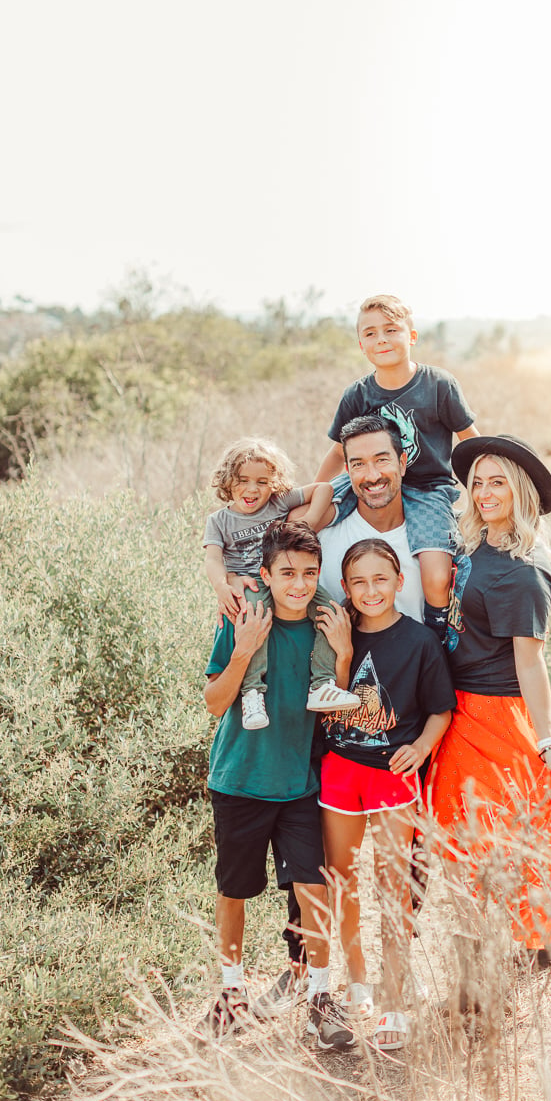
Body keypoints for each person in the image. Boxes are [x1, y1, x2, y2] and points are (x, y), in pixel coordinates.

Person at [252, 415, 429, 1018]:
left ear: (403, 460)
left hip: (413, 726)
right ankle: (313, 971)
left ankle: (398, 985)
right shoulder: (331, 541)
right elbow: (280, 575)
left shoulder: (434, 529)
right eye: (356, 463)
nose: (371, 474)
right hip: (339, 734)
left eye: (381, 460)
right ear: (344, 469)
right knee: (327, 868)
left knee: (403, 876)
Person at [425, 435, 551, 1005]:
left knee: (505, 831)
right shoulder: (475, 545)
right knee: (475, 829)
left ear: (520, 492)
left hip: (495, 713)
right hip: (461, 706)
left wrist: (547, 740)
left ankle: (537, 940)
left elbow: (531, 662)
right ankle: (510, 939)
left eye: (498, 483)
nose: (485, 493)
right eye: (479, 482)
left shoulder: (521, 571)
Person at [202, 520, 356, 1050]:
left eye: (310, 573)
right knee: (235, 891)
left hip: (300, 785)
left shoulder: (324, 623)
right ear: (264, 574)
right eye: (287, 573)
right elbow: (215, 703)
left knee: (314, 889)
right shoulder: (243, 618)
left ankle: (319, 998)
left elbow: (331, 708)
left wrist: (342, 654)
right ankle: (230, 994)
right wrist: (244, 649)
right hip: (240, 780)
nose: (299, 583)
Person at [317, 539, 456, 1050]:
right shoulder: (337, 633)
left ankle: (395, 998)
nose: (370, 590)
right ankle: (358, 988)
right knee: (343, 884)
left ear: (400, 582)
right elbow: (326, 704)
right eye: (358, 582)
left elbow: (441, 709)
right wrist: (344, 653)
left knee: (393, 888)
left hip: (392, 775)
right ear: (346, 588)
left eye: (381, 580)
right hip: (340, 771)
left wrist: (420, 747)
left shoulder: (420, 642)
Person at [315, 294, 479, 642]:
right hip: (368, 480)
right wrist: (316, 490)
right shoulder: (357, 395)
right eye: (371, 333)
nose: (382, 340)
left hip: (427, 488)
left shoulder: (438, 385)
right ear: (361, 344)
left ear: (412, 336)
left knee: (435, 575)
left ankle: (436, 639)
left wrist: (481, 492)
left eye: (391, 330)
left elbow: (470, 442)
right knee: (303, 517)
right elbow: (336, 454)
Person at [204, 436, 359, 730]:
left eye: (263, 481)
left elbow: (324, 488)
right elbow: (212, 560)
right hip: (251, 587)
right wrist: (222, 587)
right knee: (254, 622)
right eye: (242, 480)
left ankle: (321, 685)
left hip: (285, 583)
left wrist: (309, 522)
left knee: (331, 612)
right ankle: (252, 693)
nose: (252, 489)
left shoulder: (277, 503)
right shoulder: (220, 521)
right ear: (227, 480)